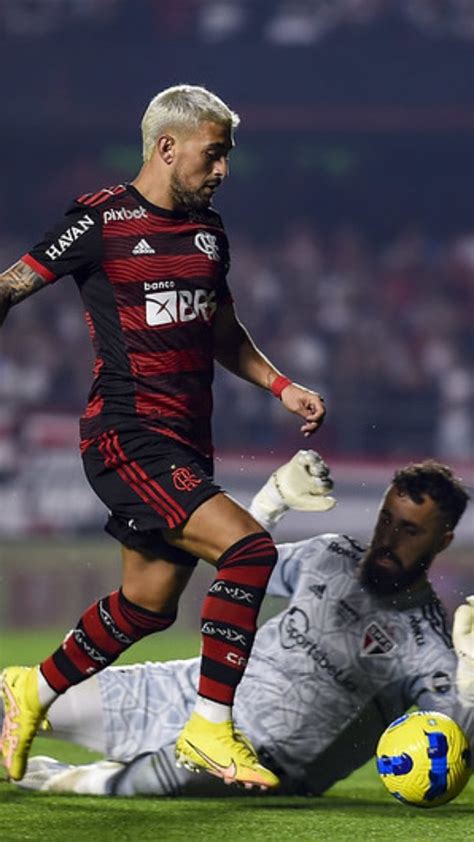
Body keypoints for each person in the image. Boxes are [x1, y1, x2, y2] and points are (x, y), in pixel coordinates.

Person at [0, 84, 326, 789]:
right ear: (167, 147)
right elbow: (10, 287)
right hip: (126, 434)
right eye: (215, 155)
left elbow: (221, 333)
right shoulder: (101, 220)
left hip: (186, 441)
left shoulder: (210, 234)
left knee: (147, 603)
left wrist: (280, 385)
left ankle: (32, 690)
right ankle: (209, 728)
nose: (224, 171)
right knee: (247, 549)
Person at [9, 451, 474, 798]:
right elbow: (235, 567)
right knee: (14, 706)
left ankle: (65, 779)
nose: (389, 539)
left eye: (410, 531)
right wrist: (270, 504)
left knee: (84, 785)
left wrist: (471, 691)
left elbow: (449, 753)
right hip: (185, 694)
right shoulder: (329, 555)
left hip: (252, 763)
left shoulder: (427, 645)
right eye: (386, 521)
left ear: (444, 540)